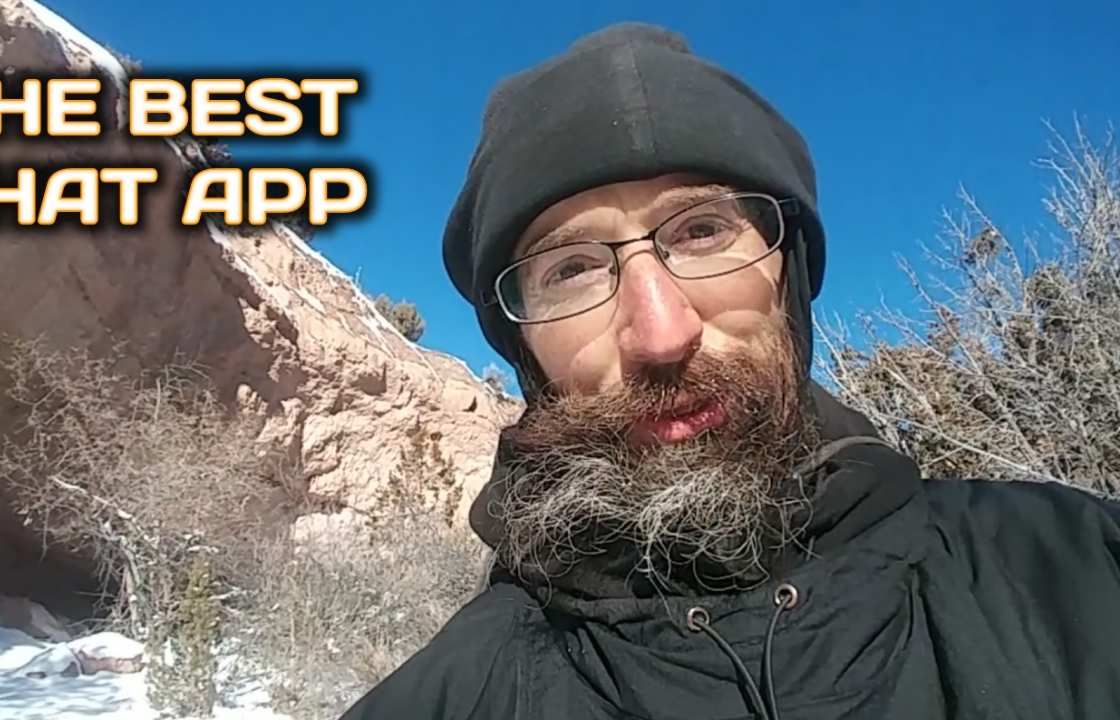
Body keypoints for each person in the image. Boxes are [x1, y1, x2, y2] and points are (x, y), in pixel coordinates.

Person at [341, 22, 1120, 720]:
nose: (661, 333)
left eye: (702, 231)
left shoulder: (1080, 574)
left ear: (790, 272)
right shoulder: (448, 698)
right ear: (524, 350)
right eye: (571, 269)